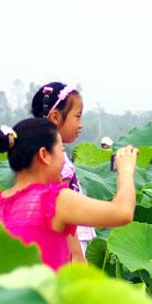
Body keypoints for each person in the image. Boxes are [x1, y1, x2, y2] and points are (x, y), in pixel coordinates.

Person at [0, 118, 137, 270]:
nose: (64, 159)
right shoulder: (55, 200)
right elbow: (123, 212)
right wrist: (126, 170)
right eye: (62, 150)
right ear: (44, 155)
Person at [31, 82, 94, 261]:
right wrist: (77, 255)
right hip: (71, 241)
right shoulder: (56, 162)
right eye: (77, 116)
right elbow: (63, 209)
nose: (80, 125)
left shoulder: (41, 156)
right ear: (56, 117)